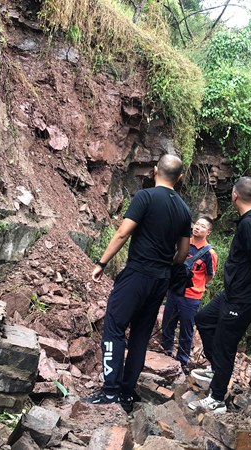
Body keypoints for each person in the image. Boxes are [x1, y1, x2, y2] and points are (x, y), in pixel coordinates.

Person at [84, 154, 192, 413]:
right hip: (160, 280)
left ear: (155, 171)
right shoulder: (184, 211)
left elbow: (123, 232)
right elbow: (182, 253)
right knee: (141, 336)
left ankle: (110, 391)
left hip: (137, 274)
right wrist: (167, 263)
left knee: (114, 326)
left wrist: (101, 264)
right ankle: (126, 393)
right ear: (179, 179)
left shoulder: (145, 197)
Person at [188, 177, 251, 414]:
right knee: (205, 319)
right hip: (235, 292)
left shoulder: (250, 224)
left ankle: (217, 398)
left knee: (225, 343)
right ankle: (218, 370)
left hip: (244, 296)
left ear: (234, 195)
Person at [161, 216, 217, 373]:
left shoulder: (209, 253)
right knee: (167, 323)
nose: (197, 227)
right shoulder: (184, 243)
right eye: (197, 224)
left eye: (202, 226)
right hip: (175, 290)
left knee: (186, 329)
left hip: (192, 296)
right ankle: (165, 351)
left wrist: (198, 285)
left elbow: (209, 275)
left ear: (208, 232)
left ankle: (182, 361)